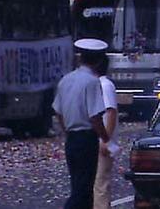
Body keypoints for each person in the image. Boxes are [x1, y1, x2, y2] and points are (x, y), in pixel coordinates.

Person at [53, 39, 110, 209]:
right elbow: (95, 117)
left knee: (77, 183)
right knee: (84, 190)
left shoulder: (66, 80)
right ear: (99, 60)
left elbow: (58, 110)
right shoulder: (92, 82)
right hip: (86, 138)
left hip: (72, 139)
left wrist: (67, 130)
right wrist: (105, 138)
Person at [92, 43, 118, 209]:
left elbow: (111, 112)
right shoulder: (96, 84)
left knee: (100, 184)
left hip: (102, 142)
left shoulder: (105, 85)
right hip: (96, 140)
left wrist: (105, 139)